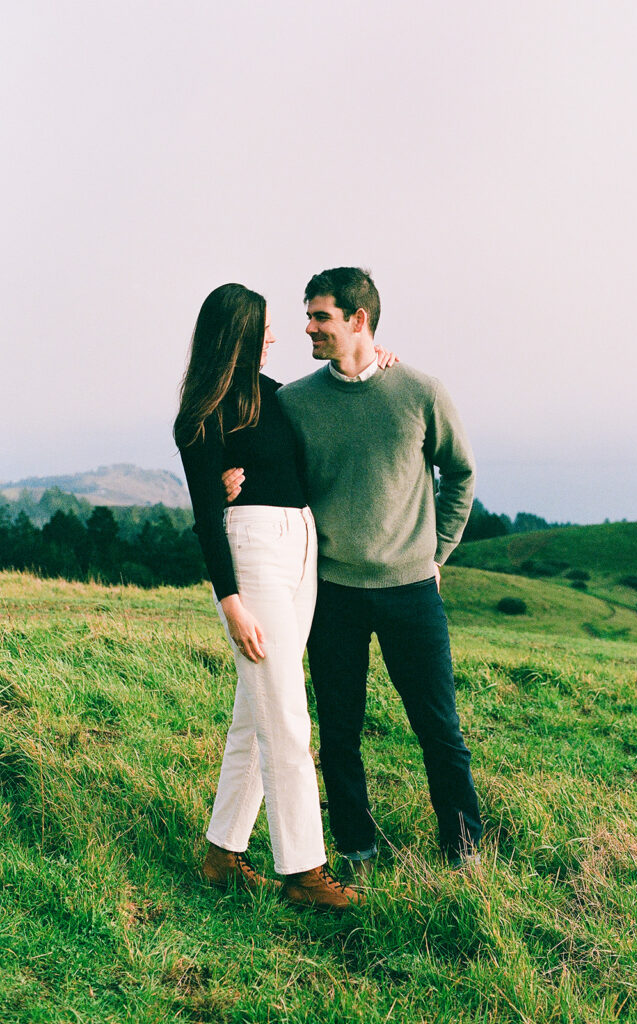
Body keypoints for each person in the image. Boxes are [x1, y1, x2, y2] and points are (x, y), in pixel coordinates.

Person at [225, 267, 482, 876]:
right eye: (308, 315)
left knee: (438, 726)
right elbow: (253, 458)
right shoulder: (294, 402)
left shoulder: (419, 391)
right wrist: (220, 483)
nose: (307, 327)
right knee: (339, 732)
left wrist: (436, 554)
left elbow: (461, 474)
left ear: (358, 320)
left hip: (411, 591)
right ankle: (355, 848)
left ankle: (466, 848)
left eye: (320, 317)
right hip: (331, 591)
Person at [175, 283, 368, 910]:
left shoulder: (280, 396)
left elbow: (340, 401)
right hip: (251, 550)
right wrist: (229, 602)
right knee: (285, 711)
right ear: (237, 334)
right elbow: (207, 515)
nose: (276, 338)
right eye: (264, 330)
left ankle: (221, 855)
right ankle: (303, 870)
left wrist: (374, 359)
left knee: (256, 713)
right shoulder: (202, 414)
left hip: (301, 545)